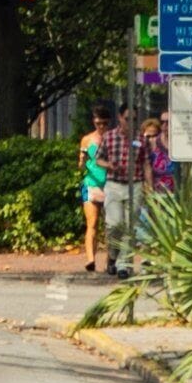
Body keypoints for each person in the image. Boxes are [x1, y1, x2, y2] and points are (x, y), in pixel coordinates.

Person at [79, 109, 117, 274]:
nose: (101, 126)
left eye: (104, 123)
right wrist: (82, 160)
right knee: (92, 223)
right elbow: (80, 166)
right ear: (93, 122)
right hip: (90, 184)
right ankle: (90, 259)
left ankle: (111, 259)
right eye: (98, 123)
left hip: (109, 184)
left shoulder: (113, 139)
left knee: (111, 225)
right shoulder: (87, 140)